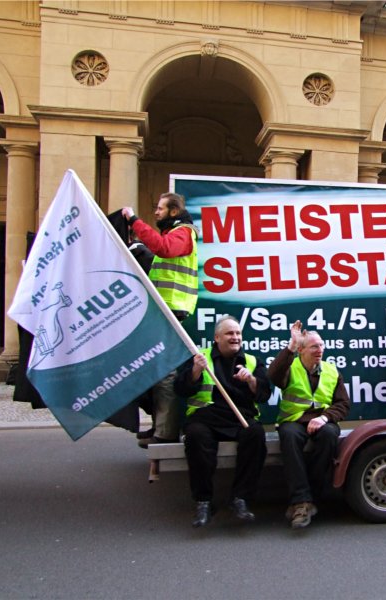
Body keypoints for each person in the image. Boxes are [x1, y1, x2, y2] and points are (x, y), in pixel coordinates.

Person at [173, 315, 271, 528]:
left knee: (255, 435)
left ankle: (240, 499)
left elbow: (265, 394)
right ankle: (204, 501)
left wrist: (252, 380)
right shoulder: (201, 358)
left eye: (238, 333)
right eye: (229, 333)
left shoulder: (252, 361)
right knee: (196, 438)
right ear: (217, 337)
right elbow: (180, 390)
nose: (235, 337)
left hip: (239, 418)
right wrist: (196, 371)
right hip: (205, 417)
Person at [122, 193, 198, 445]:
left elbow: (164, 250)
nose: (155, 212)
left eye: (160, 208)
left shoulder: (184, 233)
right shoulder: (173, 233)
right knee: (152, 370)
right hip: (163, 311)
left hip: (173, 310)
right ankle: (159, 425)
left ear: (174, 212)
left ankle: (165, 433)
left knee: (165, 373)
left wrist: (134, 220)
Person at [268, 320, 349, 529]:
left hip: (321, 420)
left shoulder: (331, 371)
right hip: (294, 420)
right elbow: (273, 376)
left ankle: (308, 496)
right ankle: (302, 501)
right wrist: (290, 346)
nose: (320, 350)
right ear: (301, 350)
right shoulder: (290, 366)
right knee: (290, 437)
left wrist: (324, 418)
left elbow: (343, 404)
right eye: (314, 346)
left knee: (329, 435)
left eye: (322, 345)